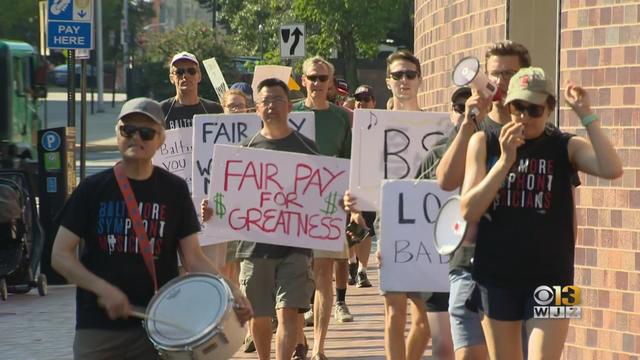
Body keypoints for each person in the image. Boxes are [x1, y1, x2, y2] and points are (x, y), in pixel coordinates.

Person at [51, 97, 252, 360]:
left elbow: (193, 258)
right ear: (117, 134)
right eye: (128, 130)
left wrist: (232, 291)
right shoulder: (92, 189)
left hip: (158, 330)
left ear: (161, 139)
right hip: (97, 328)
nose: (137, 138)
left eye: (146, 132)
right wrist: (102, 289)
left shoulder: (174, 190)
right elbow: (60, 255)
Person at [460, 67, 622, 359]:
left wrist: (587, 116)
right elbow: (469, 209)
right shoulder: (484, 141)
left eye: (534, 109)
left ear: (549, 109)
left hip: (554, 276)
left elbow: (612, 168)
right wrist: (505, 160)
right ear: (508, 105)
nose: (524, 116)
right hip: (495, 275)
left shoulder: (564, 145)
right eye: (518, 107)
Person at [344, 50, 454, 360]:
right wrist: (354, 205)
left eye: (410, 74)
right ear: (388, 81)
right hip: (389, 222)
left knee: (424, 318)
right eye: (398, 75)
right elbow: (362, 178)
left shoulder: (440, 125)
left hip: (429, 224)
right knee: (394, 313)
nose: (404, 81)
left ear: (420, 80)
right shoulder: (371, 127)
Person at [435, 40, 532, 360]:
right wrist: (469, 120)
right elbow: (446, 180)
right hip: (471, 266)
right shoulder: (474, 129)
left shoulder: (546, 136)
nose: (501, 82)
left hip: (531, 269)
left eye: (510, 74)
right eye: (494, 74)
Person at [231, 78, 317, 360]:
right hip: (256, 246)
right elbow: (230, 200)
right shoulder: (244, 150)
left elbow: (321, 196)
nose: (271, 106)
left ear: (289, 106)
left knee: (288, 309)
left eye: (277, 100)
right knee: (259, 313)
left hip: (295, 246)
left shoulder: (308, 148)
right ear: (256, 109)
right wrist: (214, 211)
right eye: (265, 101)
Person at [292, 56, 353, 360]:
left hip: (328, 204)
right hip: (291, 205)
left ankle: (319, 347)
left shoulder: (342, 118)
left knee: (323, 276)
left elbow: (349, 162)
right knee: (295, 275)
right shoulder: (289, 112)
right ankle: (300, 339)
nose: (316, 83)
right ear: (302, 80)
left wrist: (351, 206)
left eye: (322, 78)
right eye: (311, 78)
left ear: (331, 83)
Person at [160, 51, 223, 130]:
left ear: (199, 76)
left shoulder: (215, 110)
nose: (185, 75)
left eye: (191, 71)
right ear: (172, 78)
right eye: (179, 72)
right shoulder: (161, 111)